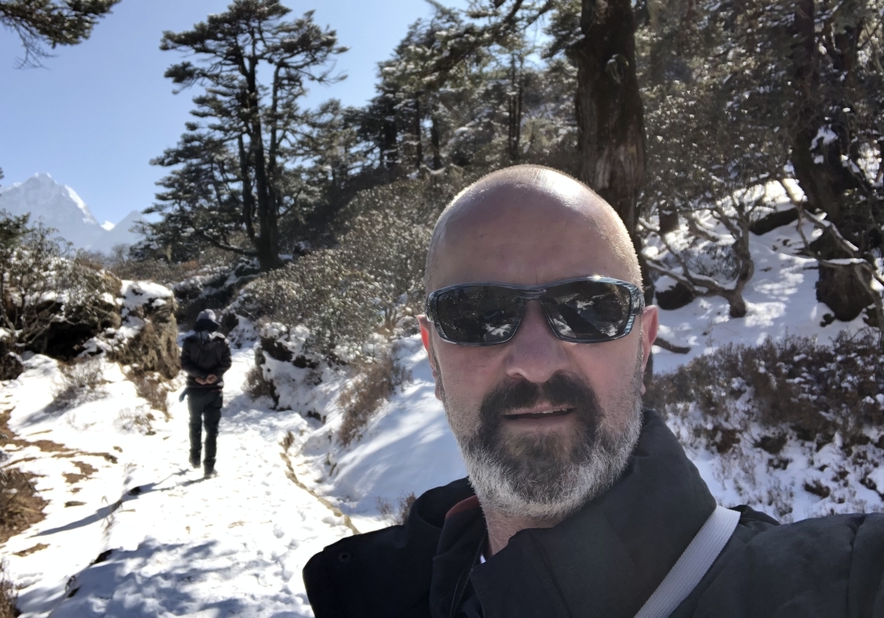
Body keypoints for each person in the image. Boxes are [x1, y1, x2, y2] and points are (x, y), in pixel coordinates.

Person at [302, 165, 884, 617]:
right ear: (432, 354)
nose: (533, 361)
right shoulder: (380, 593)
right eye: (477, 314)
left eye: (589, 309)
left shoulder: (824, 584)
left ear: (644, 342)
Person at [181, 309, 231, 479]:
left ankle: (195, 458)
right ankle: (209, 468)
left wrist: (200, 377)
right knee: (212, 430)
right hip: (214, 391)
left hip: (195, 391)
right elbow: (227, 362)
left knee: (195, 424)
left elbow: (185, 363)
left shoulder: (189, 341)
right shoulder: (222, 341)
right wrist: (213, 376)